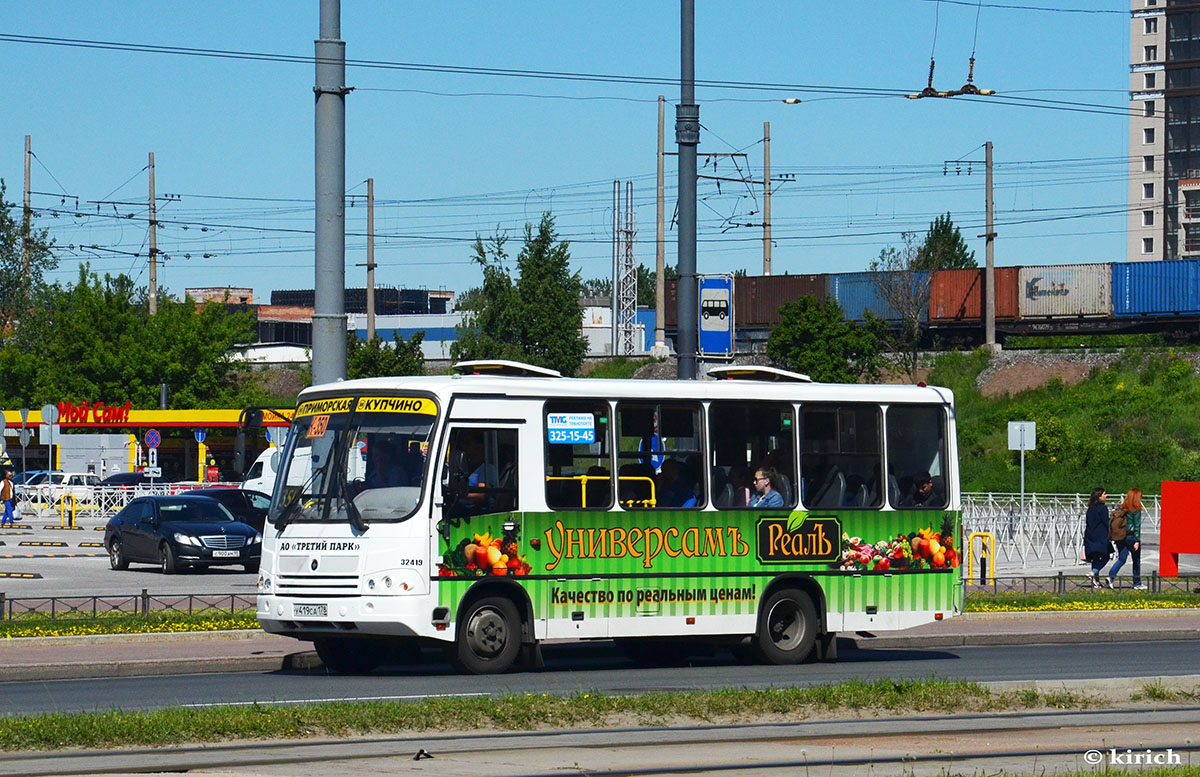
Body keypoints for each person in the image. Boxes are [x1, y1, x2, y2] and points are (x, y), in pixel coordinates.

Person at [1107, 488, 1145, 590]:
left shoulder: (1122, 508)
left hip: (1120, 536)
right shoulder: (1135, 510)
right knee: (1136, 560)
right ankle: (1137, 583)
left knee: (1122, 558)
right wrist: (1137, 540)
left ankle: (1110, 577)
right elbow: (1137, 526)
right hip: (1131, 537)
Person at [1083, 487, 1113, 589]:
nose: (1106, 496)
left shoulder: (1090, 508)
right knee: (1105, 556)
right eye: (1104, 494)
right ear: (1099, 496)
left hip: (1090, 535)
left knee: (1095, 557)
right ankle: (1093, 573)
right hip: (1100, 536)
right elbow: (1106, 522)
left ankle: (1095, 581)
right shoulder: (1102, 508)